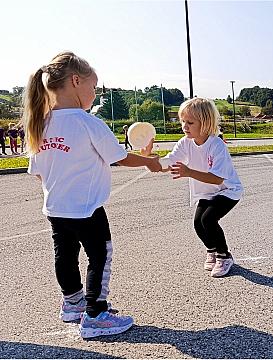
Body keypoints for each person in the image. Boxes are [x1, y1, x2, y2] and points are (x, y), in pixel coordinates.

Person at [22, 52, 162, 339]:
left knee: (65, 255)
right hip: (86, 208)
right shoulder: (87, 122)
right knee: (100, 255)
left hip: (56, 208)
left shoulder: (40, 124)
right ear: (76, 81)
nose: (95, 93)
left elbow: (37, 171)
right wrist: (147, 160)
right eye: (93, 86)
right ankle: (96, 313)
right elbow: (120, 158)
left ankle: (72, 304)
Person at [162, 98, 243, 277]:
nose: (184, 126)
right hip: (207, 192)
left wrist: (188, 172)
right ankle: (212, 250)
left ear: (205, 123)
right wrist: (150, 161)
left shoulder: (216, 145)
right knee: (198, 224)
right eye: (182, 121)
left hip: (227, 190)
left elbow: (216, 178)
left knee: (208, 220)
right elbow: (170, 160)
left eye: (190, 122)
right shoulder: (185, 142)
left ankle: (224, 256)